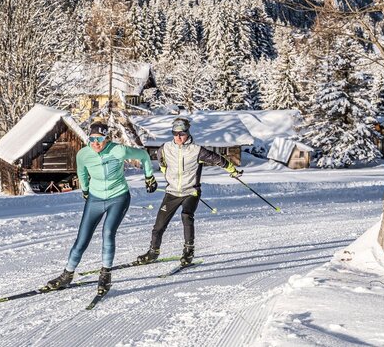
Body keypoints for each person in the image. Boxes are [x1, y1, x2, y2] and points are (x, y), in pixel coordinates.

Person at [45, 121, 156, 292]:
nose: (96, 143)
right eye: (92, 139)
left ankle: (105, 275)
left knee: (108, 233)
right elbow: (81, 172)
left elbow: (144, 156)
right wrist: (85, 190)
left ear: (107, 138)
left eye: (100, 139)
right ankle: (67, 275)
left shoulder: (119, 150)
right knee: (82, 239)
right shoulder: (83, 154)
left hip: (118, 197)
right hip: (95, 198)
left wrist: (149, 177)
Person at [135, 117, 242, 267]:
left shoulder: (197, 151)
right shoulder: (165, 148)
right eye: (175, 133)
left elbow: (218, 159)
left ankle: (188, 252)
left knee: (186, 216)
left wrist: (233, 171)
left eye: (182, 134)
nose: (178, 137)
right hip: (172, 192)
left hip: (191, 191)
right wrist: (166, 174)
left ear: (187, 133)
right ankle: (153, 252)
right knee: (159, 225)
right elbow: (161, 161)